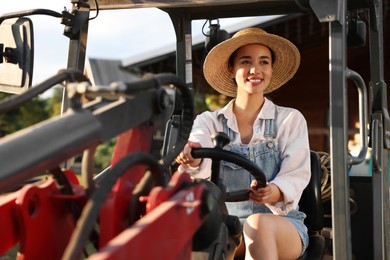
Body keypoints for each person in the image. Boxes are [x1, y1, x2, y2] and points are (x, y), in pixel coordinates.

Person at [176, 27, 311, 260]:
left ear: (271, 69)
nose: (255, 70)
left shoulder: (290, 119)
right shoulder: (209, 121)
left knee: (257, 224)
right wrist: (193, 154)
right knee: (193, 237)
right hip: (226, 225)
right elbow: (198, 144)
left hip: (281, 223)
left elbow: (296, 175)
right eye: (246, 61)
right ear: (231, 69)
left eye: (264, 62)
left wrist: (273, 191)